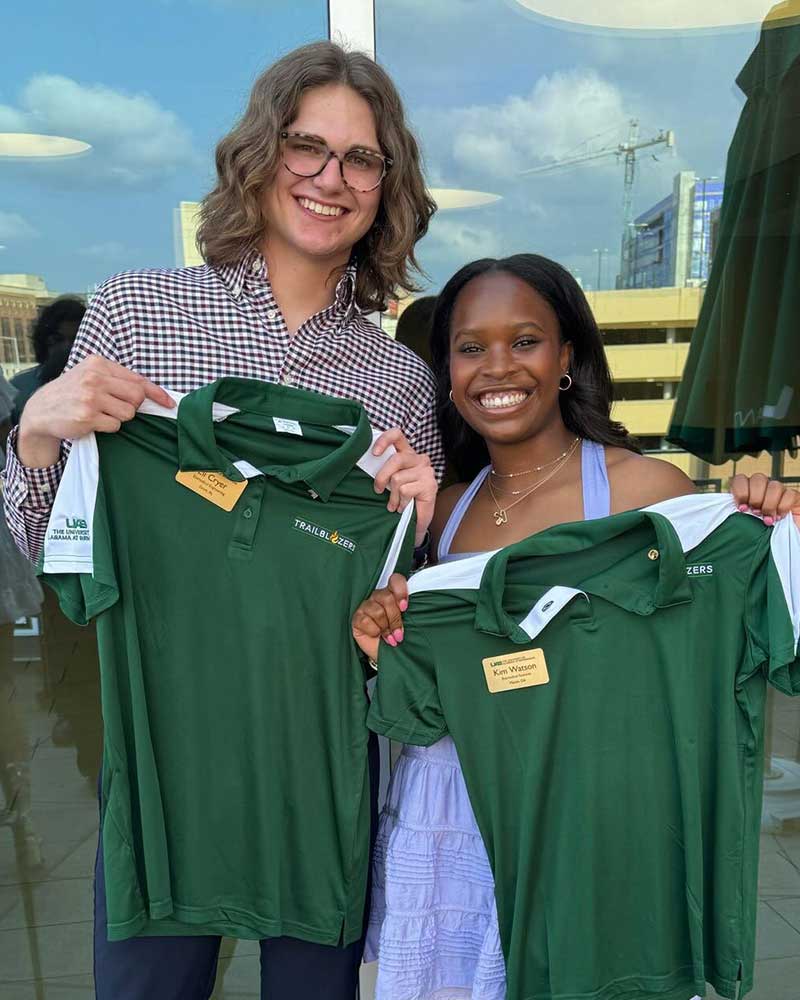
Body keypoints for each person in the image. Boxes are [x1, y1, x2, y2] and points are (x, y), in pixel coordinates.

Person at [1, 41, 443, 1000]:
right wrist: (37, 438)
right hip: (172, 758)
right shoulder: (134, 312)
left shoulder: (396, 377)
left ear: (386, 186)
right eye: (305, 146)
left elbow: (404, 625)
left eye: (360, 159)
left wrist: (422, 526)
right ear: (260, 154)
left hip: (318, 769)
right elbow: (61, 562)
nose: (330, 178)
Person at [351, 254, 800, 1000]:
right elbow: (429, 687)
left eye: (525, 341)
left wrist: (769, 528)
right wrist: (382, 637)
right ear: (448, 370)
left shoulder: (649, 492)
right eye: (471, 347)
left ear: (566, 358)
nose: (498, 367)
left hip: (591, 812)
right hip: (452, 813)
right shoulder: (444, 507)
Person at [9, 296, 85, 424]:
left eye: (76, 340)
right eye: (58, 339)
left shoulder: (107, 387)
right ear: (44, 341)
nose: (68, 348)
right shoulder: (18, 390)